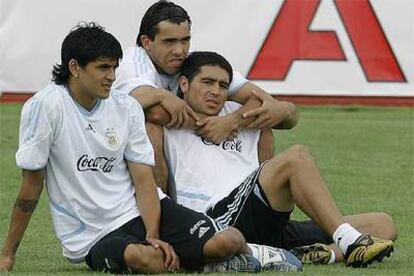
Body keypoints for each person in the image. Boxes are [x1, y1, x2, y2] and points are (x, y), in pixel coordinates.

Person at [0, 23, 302, 274]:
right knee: (147, 260)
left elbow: (144, 179)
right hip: (94, 235)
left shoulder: (126, 106)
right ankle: (208, 264)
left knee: (227, 239)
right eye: (103, 68)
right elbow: (30, 189)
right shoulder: (45, 107)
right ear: (74, 67)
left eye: (115, 67)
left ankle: (249, 256)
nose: (112, 77)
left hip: (144, 211)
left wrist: (153, 234)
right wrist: (7, 254)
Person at [160, 51, 397, 268]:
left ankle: (324, 252)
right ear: (183, 83)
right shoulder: (168, 119)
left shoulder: (241, 114)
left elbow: (289, 112)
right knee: (296, 157)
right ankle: (349, 241)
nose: (215, 91)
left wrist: (232, 121)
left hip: (260, 216)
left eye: (223, 85)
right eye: (207, 82)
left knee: (383, 225)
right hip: (216, 219)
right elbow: (137, 103)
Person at [113, 0, 298, 191]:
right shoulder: (134, 63)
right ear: (146, 42)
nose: (179, 50)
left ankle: (263, 203)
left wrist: (231, 121)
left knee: (261, 126)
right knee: (150, 129)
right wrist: (166, 98)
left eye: (185, 40)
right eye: (169, 42)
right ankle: (161, 211)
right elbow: (153, 112)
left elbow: (263, 101)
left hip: (178, 142)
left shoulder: (192, 62)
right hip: (109, 153)